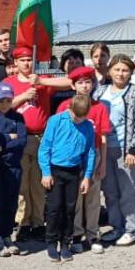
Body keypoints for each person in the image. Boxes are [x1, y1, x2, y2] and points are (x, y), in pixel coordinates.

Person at [3, 47, 73, 243]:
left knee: (39, 183)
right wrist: (23, 97)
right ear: (15, 63)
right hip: (19, 139)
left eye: (29, 59)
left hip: (41, 139)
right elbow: (1, 106)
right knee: (22, 185)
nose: (27, 63)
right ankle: (23, 222)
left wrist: (42, 81)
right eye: (22, 60)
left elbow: (70, 81)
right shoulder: (9, 82)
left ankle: (38, 222)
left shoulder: (41, 80)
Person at [94, 55, 135, 247]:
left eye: (125, 70)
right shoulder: (100, 92)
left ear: (131, 72)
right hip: (104, 148)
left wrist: (134, 149)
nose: (120, 73)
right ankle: (116, 225)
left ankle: (130, 229)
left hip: (126, 149)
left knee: (128, 190)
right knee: (109, 191)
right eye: (117, 69)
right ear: (109, 71)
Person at [57, 67, 111, 254]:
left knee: (93, 198)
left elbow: (102, 137)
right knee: (75, 198)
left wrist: (102, 163)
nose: (85, 86)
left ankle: (92, 234)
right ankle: (76, 234)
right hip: (71, 157)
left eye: (88, 82)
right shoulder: (65, 106)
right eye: (80, 82)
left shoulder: (99, 107)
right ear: (73, 85)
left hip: (92, 155)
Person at [38, 95, 96, 263]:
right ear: (69, 109)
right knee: (54, 208)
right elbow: (45, 147)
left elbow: (90, 152)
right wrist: (46, 172)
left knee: (70, 209)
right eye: (75, 117)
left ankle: (65, 242)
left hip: (73, 172)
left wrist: (87, 176)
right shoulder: (55, 121)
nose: (78, 120)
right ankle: (51, 242)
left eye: (82, 117)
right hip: (55, 170)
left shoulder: (88, 126)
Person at [0, 83, 27, 257]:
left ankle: (7, 235)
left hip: (14, 166)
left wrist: (2, 142)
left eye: (8, 100)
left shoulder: (18, 117)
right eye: (1, 100)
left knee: (11, 202)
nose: (5, 104)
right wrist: (8, 137)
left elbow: (21, 141)